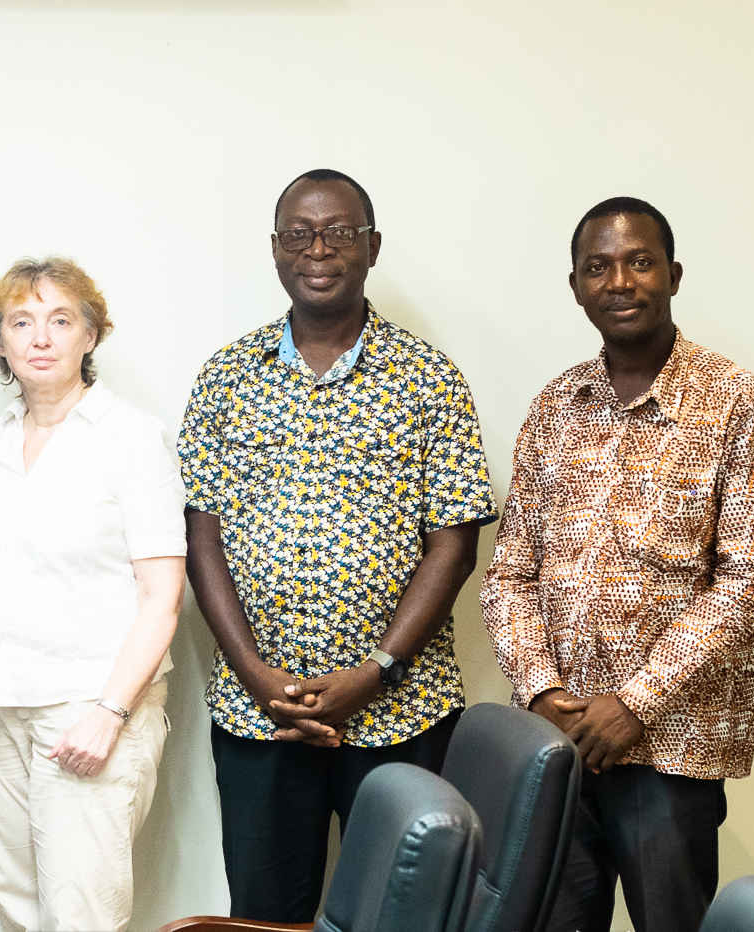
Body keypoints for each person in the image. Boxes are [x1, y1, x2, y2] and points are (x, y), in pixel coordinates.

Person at [177, 170, 497, 922]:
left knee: (401, 913)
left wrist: (373, 671)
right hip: (259, 713)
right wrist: (256, 676)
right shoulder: (225, 378)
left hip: (402, 711)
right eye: (299, 233)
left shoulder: (430, 379)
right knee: (264, 916)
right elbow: (203, 542)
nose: (318, 249)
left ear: (372, 247)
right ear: (276, 250)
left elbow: (452, 547)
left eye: (339, 232)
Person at [480, 197, 754, 932]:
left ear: (674, 275)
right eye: (598, 267)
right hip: (559, 746)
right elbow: (509, 573)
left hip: (671, 751)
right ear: (576, 286)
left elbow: (744, 586)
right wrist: (542, 691)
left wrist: (634, 703)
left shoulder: (739, 404)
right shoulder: (556, 406)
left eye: (640, 261)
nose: (620, 281)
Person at [0, 258, 184, 932]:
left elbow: (163, 596)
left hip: (85, 711)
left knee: (80, 917)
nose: (41, 338)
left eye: (61, 320)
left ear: (91, 336)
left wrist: (109, 714)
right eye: (21, 322)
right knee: (19, 911)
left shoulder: (131, 437)